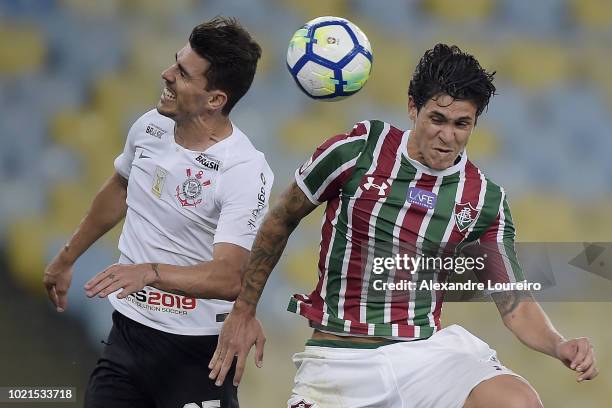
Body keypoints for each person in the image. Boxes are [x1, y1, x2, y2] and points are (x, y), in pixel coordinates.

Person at [208, 44, 598, 408]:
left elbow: (512, 302)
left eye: (462, 124)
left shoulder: (484, 199)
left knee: (519, 402)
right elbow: (282, 219)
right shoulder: (357, 151)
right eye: (437, 119)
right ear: (413, 107)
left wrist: (558, 345)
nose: (447, 136)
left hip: (424, 357)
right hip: (339, 361)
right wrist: (244, 310)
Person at [42, 16, 272, 408]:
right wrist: (66, 258)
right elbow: (120, 187)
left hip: (198, 355)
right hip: (127, 338)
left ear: (215, 99)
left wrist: (149, 272)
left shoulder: (244, 171)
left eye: (182, 73)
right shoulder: (150, 128)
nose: (166, 75)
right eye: (174, 62)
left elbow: (229, 277)